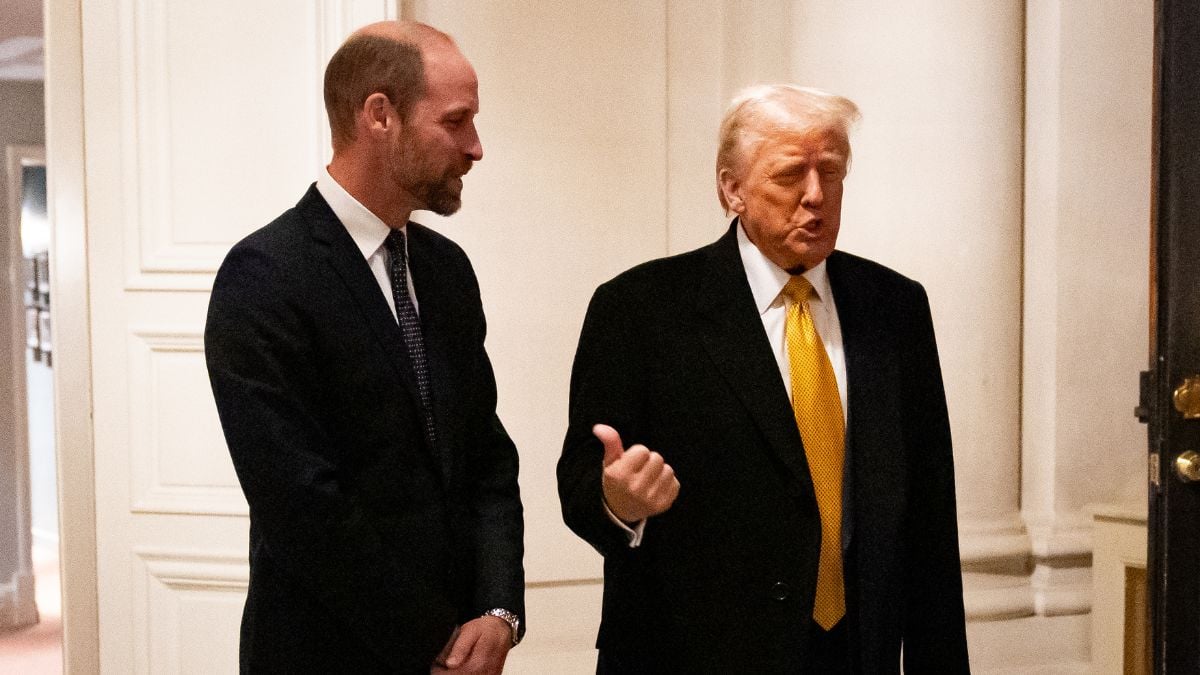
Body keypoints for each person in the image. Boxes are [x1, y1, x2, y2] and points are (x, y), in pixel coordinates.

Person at [557, 85, 969, 673]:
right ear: (732, 190)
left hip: (856, 651)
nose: (815, 196)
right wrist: (618, 501)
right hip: (698, 653)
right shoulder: (641, 309)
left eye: (831, 172)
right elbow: (579, 486)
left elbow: (929, 514)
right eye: (788, 176)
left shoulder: (895, 307)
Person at [205, 20, 524, 674]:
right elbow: (302, 505)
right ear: (380, 116)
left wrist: (498, 611)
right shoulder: (265, 275)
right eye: (456, 121)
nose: (476, 147)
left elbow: (486, 457)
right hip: (325, 650)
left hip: (466, 645)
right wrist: (436, 637)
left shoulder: (446, 270)